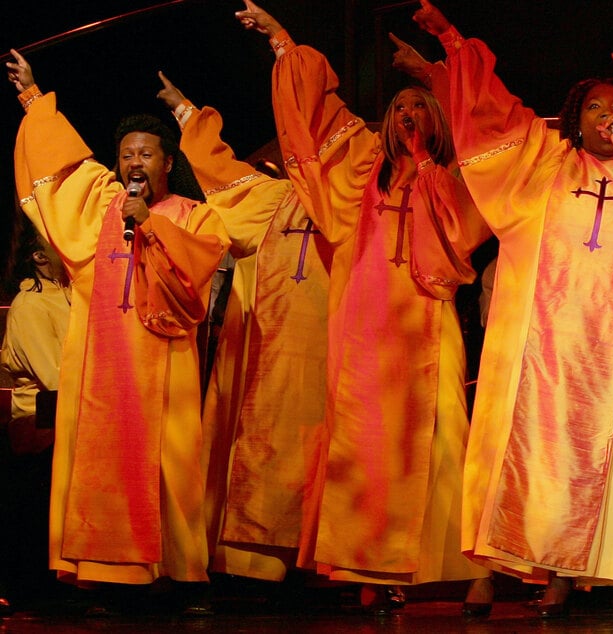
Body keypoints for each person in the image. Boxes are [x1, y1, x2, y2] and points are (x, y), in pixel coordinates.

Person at [235, 0, 492, 615]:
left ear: (434, 120)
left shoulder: (456, 175)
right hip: (365, 332)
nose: (407, 114)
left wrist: (433, 89)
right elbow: (316, 112)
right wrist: (281, 40)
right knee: (367, 444)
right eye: (398, 107)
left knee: (441, 437)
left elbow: (466, 219)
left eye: (419, 108)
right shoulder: (359, 168)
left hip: (427, 325)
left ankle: (456, 568)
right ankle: (370, 567)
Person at [413, 0, 613, 616]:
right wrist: (452, 40)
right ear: (574, 120)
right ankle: (490, 570)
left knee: (601, 454)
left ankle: (568, 574)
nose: (606, 115)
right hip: (535, 337)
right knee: (511, 451)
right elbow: (492, 112)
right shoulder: (542, 162)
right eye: (594, 107)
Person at [6, 49, 229, 613]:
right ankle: (104, 573)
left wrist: (150, 225)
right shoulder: (101, 206)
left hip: (166, 365)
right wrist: (33, 97)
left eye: (146, 153)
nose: (135, 161)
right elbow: (61, 168)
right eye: (126, 153)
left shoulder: (191, 214)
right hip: (100, 367)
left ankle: (180, 576)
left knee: (170, 464)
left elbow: (200, 265)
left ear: (166, 161)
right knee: (99, 461)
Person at [156, 73, 332, 590]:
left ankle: (320, 569)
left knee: (318, 450)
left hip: (329, 351)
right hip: (266, 350)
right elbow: (218, 171)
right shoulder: (270, 197)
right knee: (260, 449)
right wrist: (187, 112)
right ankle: (253, 567)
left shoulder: (353, 202)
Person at [0, 218, 70, 613]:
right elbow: (54, 375)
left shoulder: (68, 294)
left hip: (66, 416)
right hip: (43, 425)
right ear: (39, 256)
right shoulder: (30, 305)